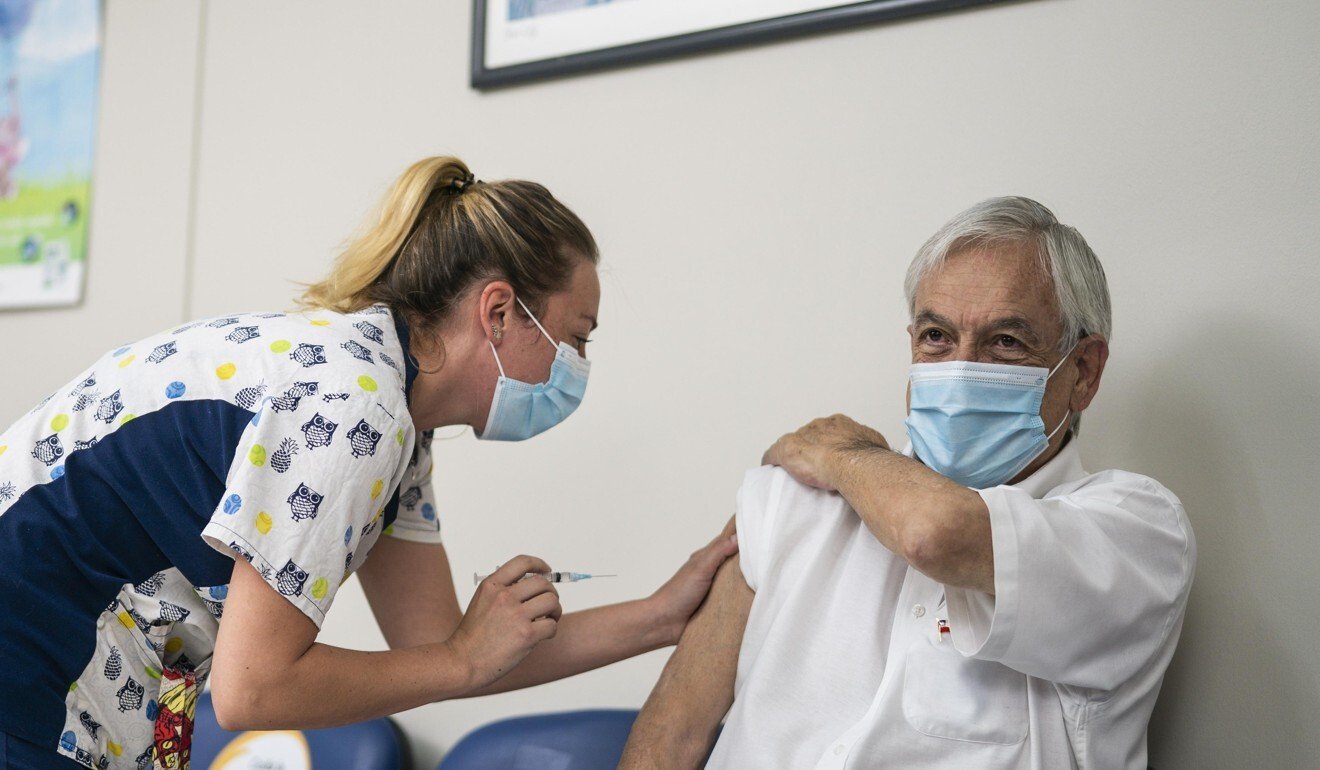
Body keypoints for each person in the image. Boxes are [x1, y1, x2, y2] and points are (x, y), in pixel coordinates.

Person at [0, 156, 737, 770]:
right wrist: (463, 662)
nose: (577, 366)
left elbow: (438, 645)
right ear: (500, 313)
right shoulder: (354, 406)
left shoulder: (392, 422)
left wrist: (661, 616)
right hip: (26, 649)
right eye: (577, 338)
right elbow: (254, 691)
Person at [621, 197, 1196, 769]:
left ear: (1083, 372)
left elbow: (936, 532)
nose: (959, 368)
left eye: (1006, 342)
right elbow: (672, 739)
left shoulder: (1133, 532)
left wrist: (843, 453)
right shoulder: (796, 499)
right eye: (937, 336)